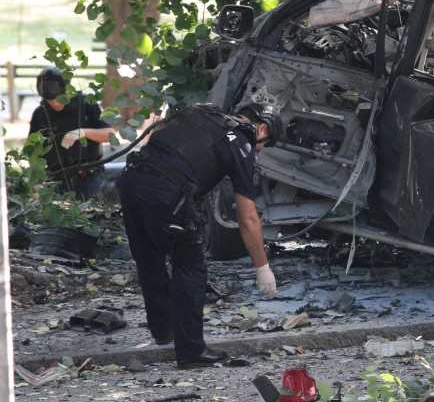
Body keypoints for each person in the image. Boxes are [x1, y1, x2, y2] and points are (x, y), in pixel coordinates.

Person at [116, 102, 282, 369]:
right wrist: (262, 268)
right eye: (265, 144)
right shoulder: (241, 142)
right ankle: (191, 351)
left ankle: (163, 329)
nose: (260, 150)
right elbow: (247, 217)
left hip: (130, 180)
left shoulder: (204, 115)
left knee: (149, 258)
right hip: (165, 191)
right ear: (262, 128)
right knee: (190, 263)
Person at [28, 66, 115, 200]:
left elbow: (110, 135)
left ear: (67, 91)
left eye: (58, 98)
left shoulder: (86, 105)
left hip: (87, 177)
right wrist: (36, 180)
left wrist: (83, 132)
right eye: (50, 100)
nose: (55, 103)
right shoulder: (41, 114)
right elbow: (33, 151)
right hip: (56, 180)